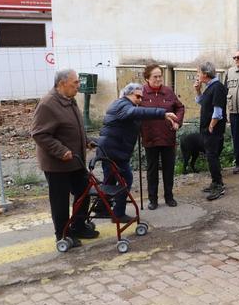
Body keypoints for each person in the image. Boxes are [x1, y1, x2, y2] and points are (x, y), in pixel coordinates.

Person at [32, 69, 99, 246]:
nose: (78, 86)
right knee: (60, 201)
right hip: (57, 164)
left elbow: (74, 128)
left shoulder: (69, 100)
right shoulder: (48, 104)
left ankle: (78, 225)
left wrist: (86, 141)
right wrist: (61, 150)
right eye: (75, 83)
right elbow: (39, 134)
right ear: (62, 84)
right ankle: (62, 235)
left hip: (75, 161)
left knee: (84, 192)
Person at [97, 83, 178, 223]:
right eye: (137, 96)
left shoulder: (124, 105)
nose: (140, 99)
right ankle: (118, 213)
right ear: (127, 94)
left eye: (142, 97)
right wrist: (162, 113)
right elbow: (136, 113)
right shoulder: (123, 105)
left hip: (111, 150)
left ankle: (102, 208)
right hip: (113, 151)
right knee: (125, 179)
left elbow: (135, 117)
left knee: (109, 180)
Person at [140, 64, 185, 210]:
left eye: (160, 76)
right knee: (152, 170)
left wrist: (177, 121)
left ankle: (169, 196)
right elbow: (134, 111)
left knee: (168, 168)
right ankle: (153, 199)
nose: (159, 79)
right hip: (150, 136)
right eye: (155, 76)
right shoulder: (141, 93)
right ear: (147, 78)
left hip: (167, 136)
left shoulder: (168, 91)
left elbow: (180, 107)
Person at [194, 62, 227, 200]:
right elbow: (202, 103)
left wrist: (211, 125)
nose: (197, 75)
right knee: (211, 155)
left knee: (212, 156)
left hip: (212, 129)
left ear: (205, 74)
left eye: (198, 73)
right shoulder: (210, 87)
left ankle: (219, 185)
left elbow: (218, 111)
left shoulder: (217, 87)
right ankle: (215, 182)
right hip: (208, 129)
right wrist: (197, 90)